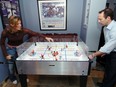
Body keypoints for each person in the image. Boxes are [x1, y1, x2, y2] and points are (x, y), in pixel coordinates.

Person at [0, 16, 53, 84]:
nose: (20, 25)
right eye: (18, 24)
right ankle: (12, 78)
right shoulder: (5, 32)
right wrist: (6, 55)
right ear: (12, 25)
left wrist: (46, 37)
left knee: (22, 65)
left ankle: (23, 78)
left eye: (20, 23)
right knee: (11, 66)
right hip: (11, 49)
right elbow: (1, 44)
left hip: (20, 48)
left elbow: (35, 33)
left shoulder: (23, 30)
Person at [89, 8, 116, 87]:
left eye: (100, 19)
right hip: (111, 51)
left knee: (112, 74)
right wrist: (105, 52)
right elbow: (108, 44)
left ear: (108, 18)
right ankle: (104, 84)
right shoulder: (105, 28)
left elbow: (109, 46)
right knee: (107, 70)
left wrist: (93, 55)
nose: (98, 21)